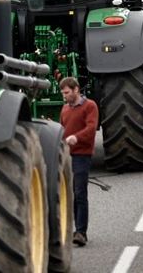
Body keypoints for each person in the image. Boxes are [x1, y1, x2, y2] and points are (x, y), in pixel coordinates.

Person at [59, 77, 98, 247]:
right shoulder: (65, 109)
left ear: (76, 90)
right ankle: (71, 229)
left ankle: (81, 232)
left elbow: (91, 128)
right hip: (67, 156)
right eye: (63, 93)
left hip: (82, 156)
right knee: (70, 194)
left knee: (80, 193)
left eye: (67, 93)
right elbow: (62, 129)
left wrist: (76, 137)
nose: (65, 96)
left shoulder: (90, 106)